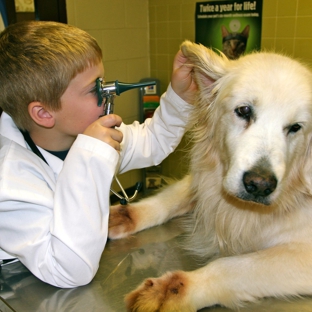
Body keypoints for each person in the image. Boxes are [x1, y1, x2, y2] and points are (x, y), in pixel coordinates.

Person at [0, 21, 197, 287]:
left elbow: (154, 141)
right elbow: (68, 271)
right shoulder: (10, 178)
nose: (109, 92)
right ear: (44, 114)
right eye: (95, 89)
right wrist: (89, 158)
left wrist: (180, 96)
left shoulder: (80, 136)